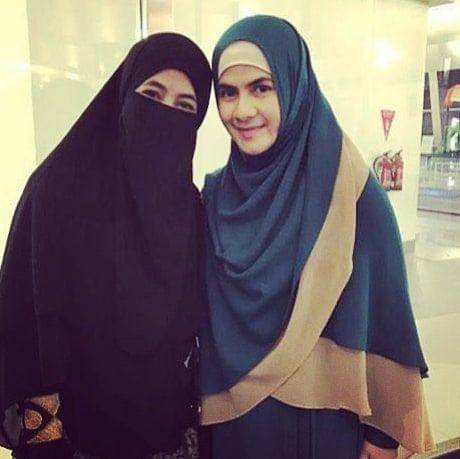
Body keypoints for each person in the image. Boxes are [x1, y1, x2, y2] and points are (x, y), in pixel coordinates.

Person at [199, 15, 434, 459]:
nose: (242, 110)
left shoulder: (349, 191)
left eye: (261, 88)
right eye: (228, 92)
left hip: (319, 427)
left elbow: (388, 314)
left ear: (295, 86)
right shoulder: (215, 195)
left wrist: (382, 436)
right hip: (233, 423)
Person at [0, 33, 211, 458]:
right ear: (123, 96)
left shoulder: (189, 208)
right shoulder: (57, 191)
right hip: (76, 445)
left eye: (185, 106)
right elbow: (22, 330)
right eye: (152, 94)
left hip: (170, 442)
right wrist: (49, 446)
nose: (165, 113)